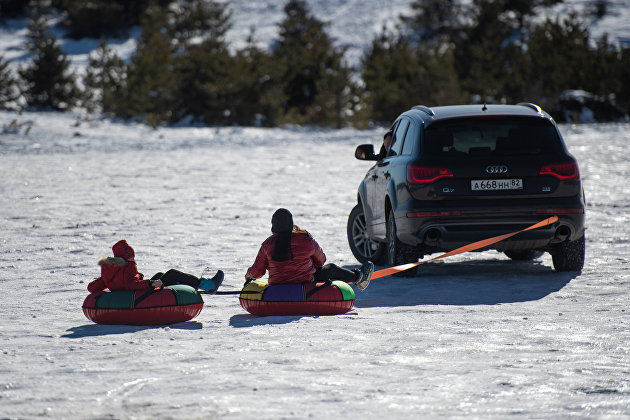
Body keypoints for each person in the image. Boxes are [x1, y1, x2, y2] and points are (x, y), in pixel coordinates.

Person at [245, 209, 374, 290]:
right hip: (305, 285)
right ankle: (358, 277)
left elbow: (257, 272)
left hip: (278, 286)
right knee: (331, 268)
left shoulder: (267, 245)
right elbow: (321, 261)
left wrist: (248, 276)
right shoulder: (305, 239)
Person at [87, 239, 223, 294]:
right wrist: (151, 283)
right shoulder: (128, 265)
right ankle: (208, 285)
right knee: (171, 273)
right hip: (139, 295)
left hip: (130, 295)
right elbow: (132, 284)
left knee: (160, 274)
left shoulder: (108, 272)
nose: (133, 259)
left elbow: (91, 288)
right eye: (132, 257)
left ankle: (191, 286)